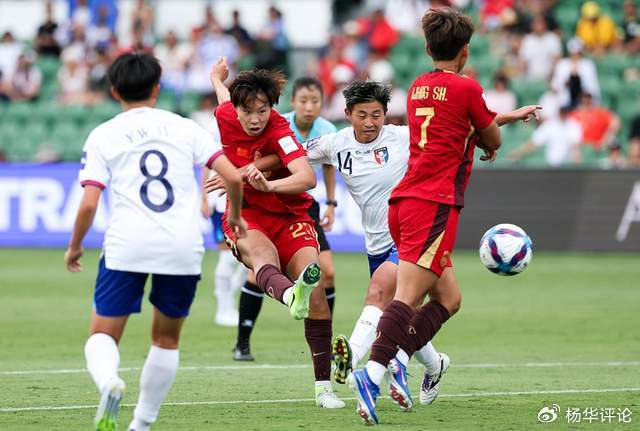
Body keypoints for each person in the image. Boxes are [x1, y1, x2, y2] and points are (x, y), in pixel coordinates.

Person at [347, 8, 540, 425]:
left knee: (449, 299)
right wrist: (492, 136)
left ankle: (404, 359)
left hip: (405, 202)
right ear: (465, 51)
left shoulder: (418, 86)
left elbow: (457, 127)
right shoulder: (467, 87)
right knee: (406, 298)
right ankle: (374, 373)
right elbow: (490, 137)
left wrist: (500, 120)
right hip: (434, 205)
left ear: (427, 47)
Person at [64, 52, 246, 431]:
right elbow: (232, 176)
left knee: (102, 334)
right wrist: (233, 217)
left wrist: (75, 246)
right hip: (181, 246)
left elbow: (89, 203)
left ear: (114, 91)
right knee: (165, 340)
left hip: (127, 245)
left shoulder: (103, 134)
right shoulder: (185, 128)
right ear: (157, 88)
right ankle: (141, 424)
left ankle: (109, 382)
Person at [207, 57, 345, 408]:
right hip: (247, 214)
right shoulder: (225, 114)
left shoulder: (280, 130)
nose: (256, 119)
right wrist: (216, 78)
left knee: (316, 292)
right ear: (236, 108)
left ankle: (324, 390)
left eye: (263, 110)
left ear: (272, 107)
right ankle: (290, 296)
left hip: (289, 214)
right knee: (261, 258)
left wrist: (268, 185)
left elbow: (307, 177)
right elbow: (224, 97)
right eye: (248, 111)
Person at [303, 80, 449, 408]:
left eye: (377, 115)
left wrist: (503, 119)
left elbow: (458, 128)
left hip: (412, 234)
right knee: (402, 316)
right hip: (377, 244)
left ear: (386, 114)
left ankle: (352, 357)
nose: (370, 122)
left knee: (379, 292)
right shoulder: (334, 143)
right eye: (362, 115)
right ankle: (435, 363)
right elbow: (291, 154)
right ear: (347, 114)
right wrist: (243, 170)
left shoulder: (402, 136)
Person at [228, 77, 339, 361]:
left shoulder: (327, 129)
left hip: (298, 204)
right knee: (259, 270)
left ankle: (322, 340)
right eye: (304, 101)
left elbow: (325, 167)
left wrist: (331, 202)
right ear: (292, 102)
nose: (309, 107)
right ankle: (242, 342)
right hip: (262, 205)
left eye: (315, 101)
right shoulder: (278, 122)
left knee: (325, 273)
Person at [192, 93, 248, 328]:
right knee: (227, 255)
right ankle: (224, 307)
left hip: (249, 196)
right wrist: (204, 197)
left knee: (248, 259)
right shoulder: (214, 127)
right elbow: (207, 163)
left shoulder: (254, 123)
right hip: (220, 198)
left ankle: (228, 295)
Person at [508, 105, 582, 167]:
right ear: (559, 112)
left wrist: (576, 165)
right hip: (550, 166)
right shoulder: (549, 125)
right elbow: (534, 143)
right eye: (562, 112)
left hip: (567, 167)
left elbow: (575, 147)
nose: (563, 115)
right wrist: (517, 154)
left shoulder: (573, 125)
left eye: (565, 112)